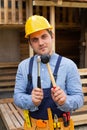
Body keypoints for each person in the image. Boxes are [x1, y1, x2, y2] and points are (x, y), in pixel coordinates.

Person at [14, 15, 83, 129]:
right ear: (30, 43)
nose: (40, 43)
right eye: (35, 40)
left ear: (52, 36)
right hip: (33, 127)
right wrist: (31, 100)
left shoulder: (68, 65)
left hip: (61, 126)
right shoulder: (23, 66)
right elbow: (17, 97)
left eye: (44, 36)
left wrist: (65, 100)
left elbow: (79, 99)